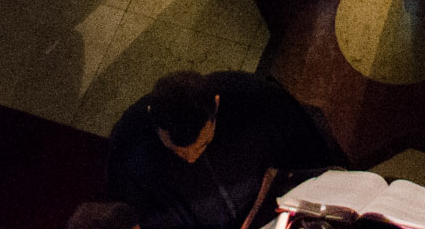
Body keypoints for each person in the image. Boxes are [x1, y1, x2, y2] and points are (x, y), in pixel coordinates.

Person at [104, 71, 341, 229]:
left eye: (202, 145)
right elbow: (134, 212)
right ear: (152, 119)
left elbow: (305, 143)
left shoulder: (252, 97)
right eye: (177, 152)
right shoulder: (131, 144)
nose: (190, 159)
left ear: (216, 104)